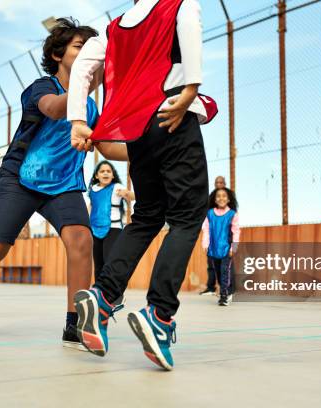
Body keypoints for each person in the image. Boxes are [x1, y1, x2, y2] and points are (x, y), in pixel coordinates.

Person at [0, 18, 127, 350]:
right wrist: (80, 87)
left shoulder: (92, 108)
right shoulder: (43, 87)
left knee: (80, 241)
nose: (88, 54)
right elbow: (52, 110)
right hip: (21, 180)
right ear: (57, 54)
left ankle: (73, 322)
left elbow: (106, 146)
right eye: (80, 47)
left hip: (64, 185)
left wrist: (144, 152)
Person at [67, 0, 217, 370]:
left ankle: (102, 297)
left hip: (136, 130)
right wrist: (190, 89)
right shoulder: (178, 5)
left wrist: (76, 120)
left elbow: (84, 65)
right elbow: (192, 33)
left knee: (147, 216)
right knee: (185, 217)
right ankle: (160, 316)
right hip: (170, 116)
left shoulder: (115, 27)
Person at [88, 160, 134, 281]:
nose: (105, 173)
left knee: (109, 261)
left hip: (113, 229)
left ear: (113, 175)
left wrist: (127, 194)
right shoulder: (93, 190)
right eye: (102, 171)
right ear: (97, 176)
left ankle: (112, 292)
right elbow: (91, 207)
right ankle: (98, 291)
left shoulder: (117, 187)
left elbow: (132, 196)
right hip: (95, 230)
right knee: (98, 264)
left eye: (109, 171)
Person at [202, 187, 240, 306]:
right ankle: (225, 291)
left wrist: (233, 247)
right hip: (213, 248)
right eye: (218, 196)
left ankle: (224, 295)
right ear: (214, 199)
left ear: (228, 199)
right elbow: (206, 229)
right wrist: (205, 243)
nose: (221, 198)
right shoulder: (209, 214)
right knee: (218, 271)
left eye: (224, 196)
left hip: (226, 249)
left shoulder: (232, 214)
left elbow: (236, 231)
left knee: (224, 271)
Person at [200, 175, 229, 295]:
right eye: (217, 182)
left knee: (225, 264)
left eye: (221, 182)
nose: (219, 184)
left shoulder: (229, 196)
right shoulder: (211, 198)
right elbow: (207, 216)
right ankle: (211, 287)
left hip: (225, 235)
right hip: (212, 235)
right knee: (211, 263)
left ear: (225, 183)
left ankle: (225, 289)